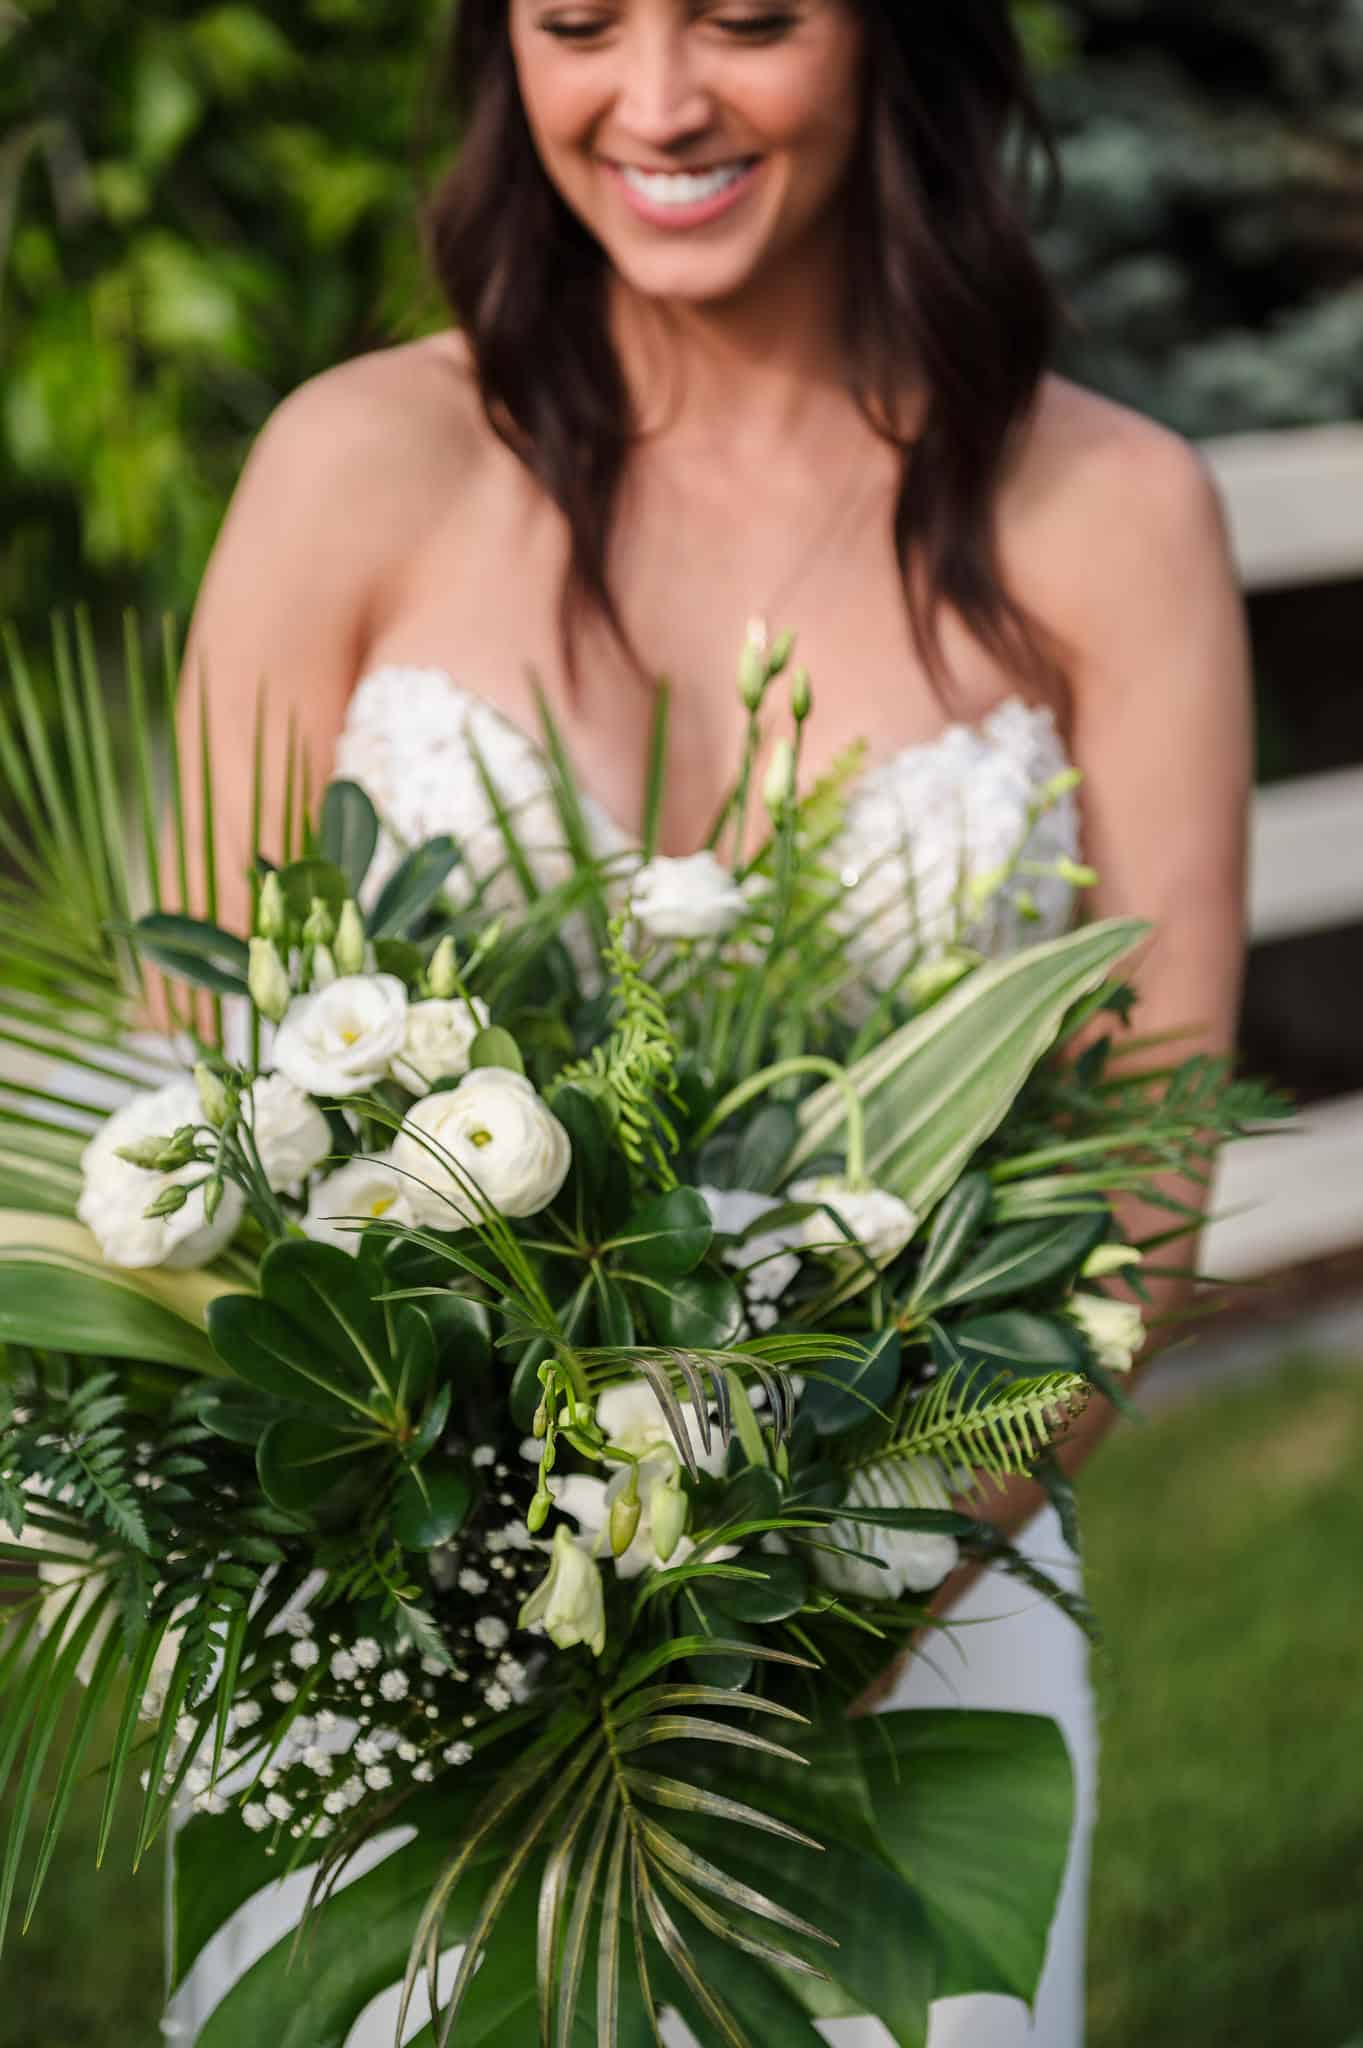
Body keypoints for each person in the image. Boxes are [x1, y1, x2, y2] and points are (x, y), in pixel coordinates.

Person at [163, 3, 1250, 2043]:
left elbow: (1142, 1194)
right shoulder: (351, 465)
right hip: (379, 1655)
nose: (654, 103)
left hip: (909, 1659)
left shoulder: (1114, 514)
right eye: (578, 22)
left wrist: (776, 1648)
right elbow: (189, 1089)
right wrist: (458, 1599)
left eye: (747, 18)